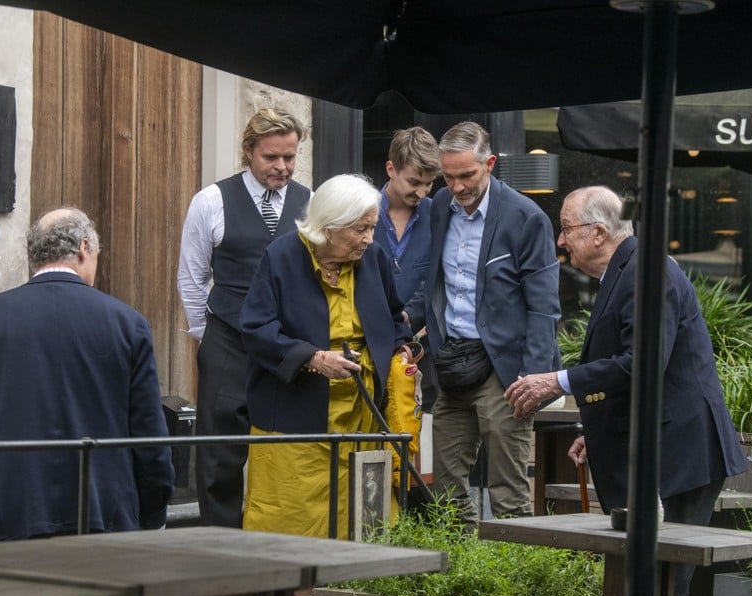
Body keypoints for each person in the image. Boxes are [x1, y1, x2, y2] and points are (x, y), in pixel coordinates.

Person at [504, 186, 749, 596]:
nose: (560, 241)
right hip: (666, 448)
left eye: (566, 229)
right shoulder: (627, 270)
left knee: (661, 591)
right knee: (649, 588)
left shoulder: (645, 273)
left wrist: (555, 382)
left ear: (598, 233)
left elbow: (642, 365)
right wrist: (591, 430)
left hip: (679, 454)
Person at [0, 207, 175, 544]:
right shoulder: (127, 323)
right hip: (104, 516)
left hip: (11, 516)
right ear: (84, 248)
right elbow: (150, 434)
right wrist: (153, 512)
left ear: (33, 255)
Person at [404, 121, 562, 526]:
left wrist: (533, 378)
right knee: (445, 492)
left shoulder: (526, 217)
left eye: (467, 175)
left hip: (504, 371)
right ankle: (461, 581)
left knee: (509, 496)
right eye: (449, 176)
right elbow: (435, 283)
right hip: (453, 364)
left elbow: (544, 309)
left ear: (490, 164)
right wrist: (403, 322)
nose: (457, 187)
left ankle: (519, 586)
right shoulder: (439, 205)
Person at [239, 173, 410, 538]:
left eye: (371, 227)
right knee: (292, 526)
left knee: (366, 524)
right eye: (359, 229)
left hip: (364, 418)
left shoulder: (374, 259)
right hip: (295, 420)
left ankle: (355, 595)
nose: (368, 238)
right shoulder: (282, 257)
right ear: (328, 227)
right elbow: (256, 329)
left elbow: (396, 320)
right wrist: (313, 359)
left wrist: (404, 351)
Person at [177, 108, 310, 527]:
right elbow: (192, 277)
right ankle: (220, 544)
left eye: (290, 157)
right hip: (227, 342)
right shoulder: (212, 201)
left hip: (286, 346)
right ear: (248, 151)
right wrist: (210, 337)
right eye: (272, 157)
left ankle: (280, 537)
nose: (282, 167)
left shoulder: (312, 203)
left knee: (289, 448)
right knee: (219, 455)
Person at [374, 126, 441, 410]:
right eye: (414, 181)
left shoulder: (438, 214)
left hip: (423, 354)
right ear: (391, 168)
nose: (422, 191)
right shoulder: (360, 210)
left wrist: (413, 317)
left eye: (429, 184)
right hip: (369, 346)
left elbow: (440, 275)